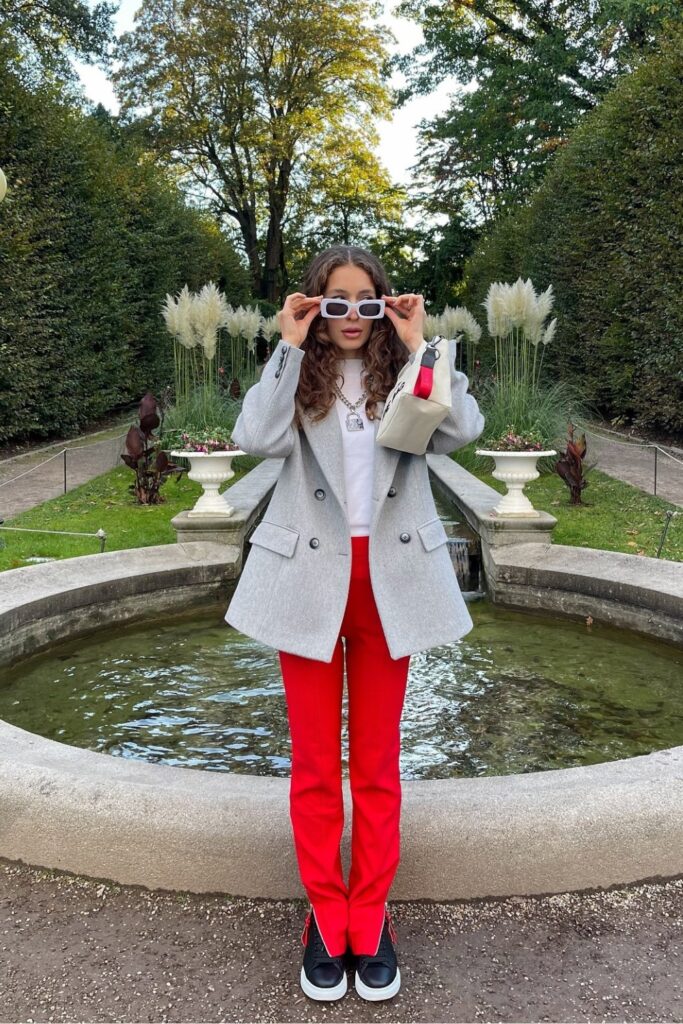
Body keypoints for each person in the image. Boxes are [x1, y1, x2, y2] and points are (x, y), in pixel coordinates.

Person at [224, 244, 485, 1002]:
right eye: (332, 301)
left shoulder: (407, 368)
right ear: (312, 305)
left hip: (391, 580)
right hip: (308, 579)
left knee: (374, 766)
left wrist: (422, 346)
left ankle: (367, 921)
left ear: (384, 304)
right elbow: (254, 438)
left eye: (364, 301)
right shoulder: (296, 371)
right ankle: (322, 914)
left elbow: (461, 429)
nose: (348, 316)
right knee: (313, 767)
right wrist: (285, 342)